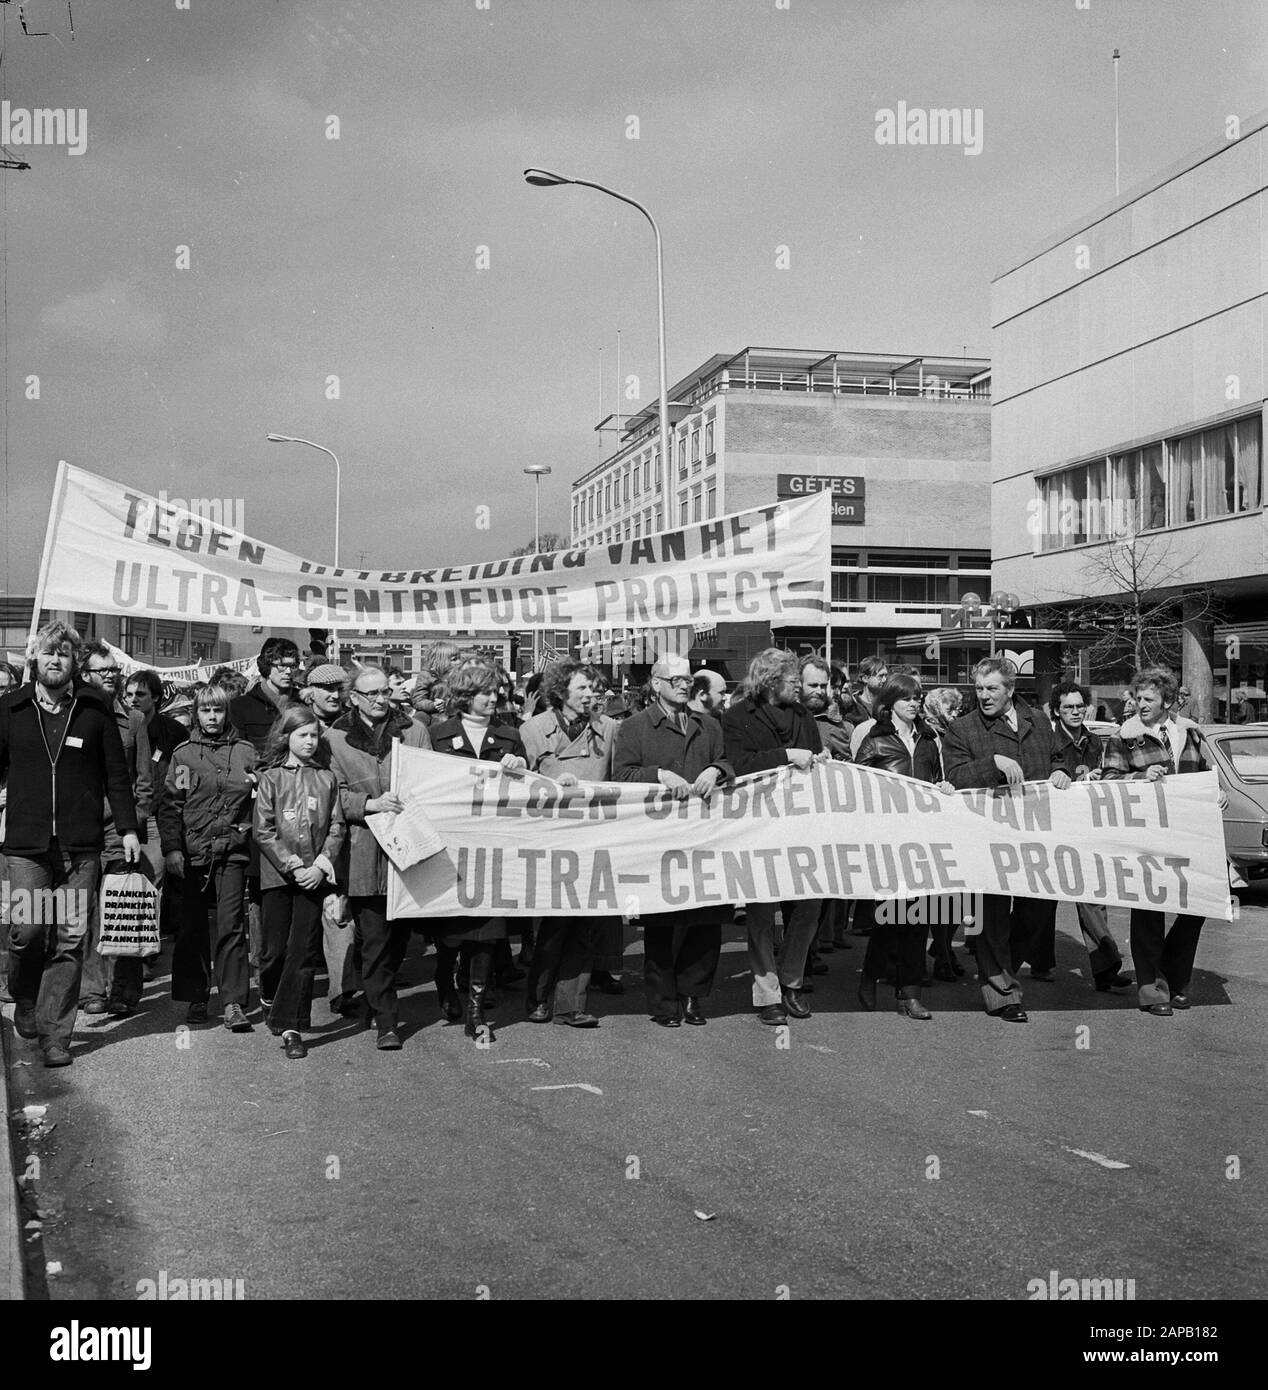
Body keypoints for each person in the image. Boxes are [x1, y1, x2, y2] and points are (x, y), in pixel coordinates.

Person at [0, 623, 141, 1066]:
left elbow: (117, 777)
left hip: (81, 846)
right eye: (47, 653)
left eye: (63, 653)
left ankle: (55, 1035)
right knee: (28, 933)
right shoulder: (11, 709)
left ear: (73, 661)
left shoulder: (94, 709)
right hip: (27, 846)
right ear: (34, 660)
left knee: (69, 938)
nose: (55, 661)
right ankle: (24, 996)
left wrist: (129, 828)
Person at [940, 657, 1073, 1023]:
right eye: (979, 689)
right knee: (993, 917)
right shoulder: (962, 729)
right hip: (987, 838)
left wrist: (1062, 772)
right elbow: (952, 775)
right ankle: (1002, 993)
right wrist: (993, 762)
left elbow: (1059, 758)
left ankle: (1000, 971)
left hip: (1035, 837)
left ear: (1010, 690)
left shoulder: (1041, 722)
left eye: (992, 688)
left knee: (1038, 910)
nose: (984, 696)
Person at [614, 653, 733, 1027]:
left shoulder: (708, 725)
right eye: (676, 679)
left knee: (706, 920)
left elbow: (727, 762)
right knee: (663, 924)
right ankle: (664, 1002)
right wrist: (660, 774)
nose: (685, 685)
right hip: (659, 838)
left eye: (687, 679)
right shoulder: (634, 727)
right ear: (656, 684)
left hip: (704, 835)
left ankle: (693, 995)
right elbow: (622, 775)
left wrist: (717, 769)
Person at [1102, 667, 1226, 1016]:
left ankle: (1175, 975)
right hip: (1146, 837)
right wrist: (1141, 776)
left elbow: (1206, 773)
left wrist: (1217, 795)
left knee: (1196, 906)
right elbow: (1109, 780)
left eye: (1148, 699)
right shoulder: (1124, 736)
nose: (1140, 704)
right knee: (1148, 913)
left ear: (1167, 701)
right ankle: (1153, 990)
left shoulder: (1190, 732)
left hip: (1187, 834)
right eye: (1137, 698)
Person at [325, 665, 431, 1049]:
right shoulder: (335, 737)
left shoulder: (414, 730)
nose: (381, 699)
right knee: (374, 938)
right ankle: (388, 1021)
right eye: (371, 694)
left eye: (385, 691)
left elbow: (431, 781)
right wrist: (369, 803)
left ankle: (371, 996)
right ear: (353, 698)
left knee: (399, 939)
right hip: (362, 850)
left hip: (408, 849)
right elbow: (329, 793)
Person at [721, 649, 827, 1024]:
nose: (798, 684)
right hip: (760, 826)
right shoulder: (736, 717)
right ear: (769, 681)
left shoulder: (803, 716)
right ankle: (767, 994)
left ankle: (792, 980)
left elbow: (814, 756)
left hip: (800, 825)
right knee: (761, 914)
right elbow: (740, 766)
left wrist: (820, 758)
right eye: (792, 679)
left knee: (809, 906)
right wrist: (786, 754)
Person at [427, 660, 528, 1042]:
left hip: (491, 848)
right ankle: (444, 980)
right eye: (485, 692)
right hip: (450, 848)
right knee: (451, 936)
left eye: (495, 691)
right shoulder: (437, 735)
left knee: (487, 932)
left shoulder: (509, 735)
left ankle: (475, 1010)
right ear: (465, 696)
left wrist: (520, 769)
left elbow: (526, 791)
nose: (493, 697)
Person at [518, 659, 622, 1027]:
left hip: (592, 837)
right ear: (561, 692)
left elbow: (619, 778)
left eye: (594, 688)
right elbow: (521, 784)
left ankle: (571, 1004)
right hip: (549, 839)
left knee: (584, 926)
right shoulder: (533, 729)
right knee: (553, 926)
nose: (590, 694)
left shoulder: (610, 729)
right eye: (582, 688)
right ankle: (538, 997)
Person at [855, 674, 957, 1019]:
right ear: (890, 703)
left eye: (918, 697)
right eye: (907, 698)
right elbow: (857, 787)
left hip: (922, 840)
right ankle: (870, 975)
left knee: (917, 917)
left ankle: (909, 994)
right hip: (889, 840)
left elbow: (937, 777)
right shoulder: (875, 740)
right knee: (888, 918)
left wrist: (943, 786)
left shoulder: (929, 739)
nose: (914, 703)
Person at [158, 683, 256, 1031]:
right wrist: (172, 848)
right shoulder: (184, 756)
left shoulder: (246, 753)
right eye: (205, 710)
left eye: (218, 710)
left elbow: (258, 799)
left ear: (227, 713)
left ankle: (232, 1003)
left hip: (233, 851)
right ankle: (197, 996)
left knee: (231, 925)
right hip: (192, 853)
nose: (212, 717)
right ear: (196, 713)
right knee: (193, 928)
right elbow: (172, 804)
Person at [254, 705, 346, 1059]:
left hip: (314, 876)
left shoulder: (327, 779)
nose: (309, 742)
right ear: (287, 737)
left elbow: (336, 826)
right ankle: (270, 994)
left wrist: (321, 866)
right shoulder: (271, 778)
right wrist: (292, 865)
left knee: (302, 952)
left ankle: (292, 1025)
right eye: (302, 735)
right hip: (279, 876)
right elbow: (263, 830)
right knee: (274, 950)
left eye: (314, 735)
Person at [79, 642, 155, 1019]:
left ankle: (125, 990)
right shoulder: (72, 715)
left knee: (124, 908)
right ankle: (91, 989)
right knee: (85, 910)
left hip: (119, 831)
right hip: (80, 829)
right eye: (102, 670)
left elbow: (144, 780)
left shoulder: (135, 721)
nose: (111, 675)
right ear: (85, 674)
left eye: (113, 670)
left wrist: (134, 822)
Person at [1043, 682, 1133, 994]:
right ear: (1057, 710)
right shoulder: (1045, 740)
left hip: (1085, 830)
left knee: (1093, 898)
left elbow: (1109, 776)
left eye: (1079, 706)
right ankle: (1032, 962)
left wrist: (1097, 779)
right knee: (1041, 904)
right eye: (1068, 707)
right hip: (1050, 831)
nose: (1075, 712)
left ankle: (1106, 967)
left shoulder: (1095, 741)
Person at [919, 687, 968, 978]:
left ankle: (943, 948)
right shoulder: (930, 735)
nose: (955, 716)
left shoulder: (955, 734)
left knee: (958, 895)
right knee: (937, 896)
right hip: (934, 822)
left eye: (957, 711)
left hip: (956, 821)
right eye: (950, 711)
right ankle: (941, 953)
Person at [839, 656, 889, 727]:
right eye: (880, 676)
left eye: (886, 675)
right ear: (865, 678)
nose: (884, 680)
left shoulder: (889, 705)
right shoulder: (852, 706)